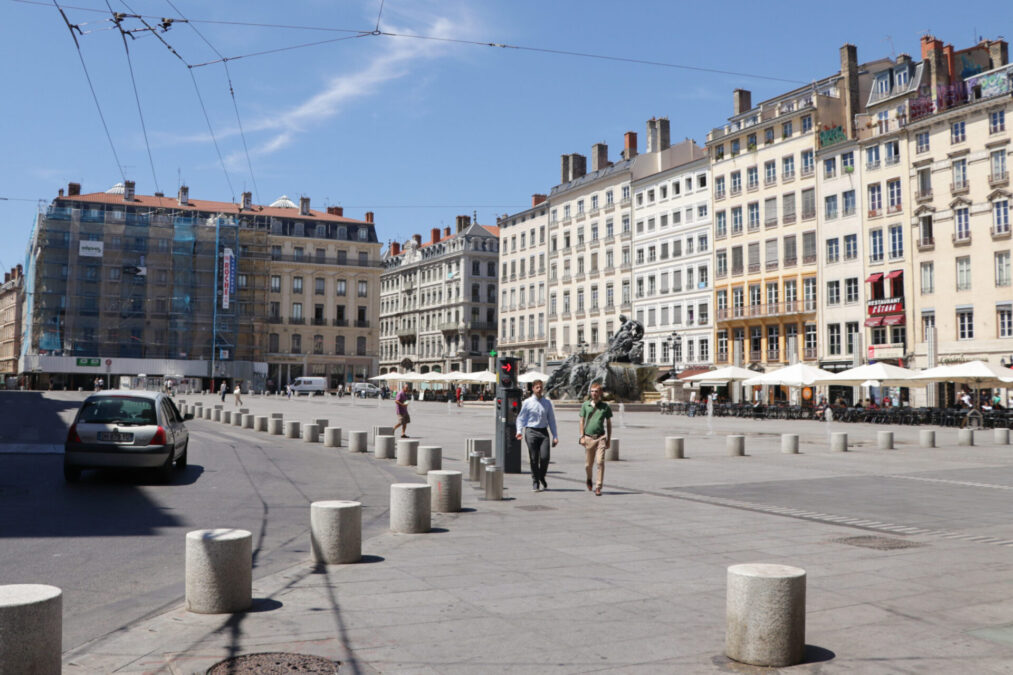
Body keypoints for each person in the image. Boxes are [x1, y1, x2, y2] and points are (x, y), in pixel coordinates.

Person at [515, 379, 559, 492]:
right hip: (531, 431)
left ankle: (541, 476)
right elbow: (520, 418)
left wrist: (555, 435)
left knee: (545, 457)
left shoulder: (547, 403)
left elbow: (551, 420)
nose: (539, 390)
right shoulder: (527, 402)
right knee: (534, 458)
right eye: (537, 387)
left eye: (541, 387)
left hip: (543, 432)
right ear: (533, 389)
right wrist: (519, 431)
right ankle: (535, 481)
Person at [579, 382, 613, 497]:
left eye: (596, 391)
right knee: (588, 465)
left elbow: (609, 423)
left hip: (601, 438)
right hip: (588, 438)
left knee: (600, 462)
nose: (594, 393)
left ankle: (598, 486)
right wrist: (582, 436)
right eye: (592, 391)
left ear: (600, 393)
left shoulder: (605, 407)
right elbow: (581, 421)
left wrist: (608, 439)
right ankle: (589, 478)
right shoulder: (585, 405)